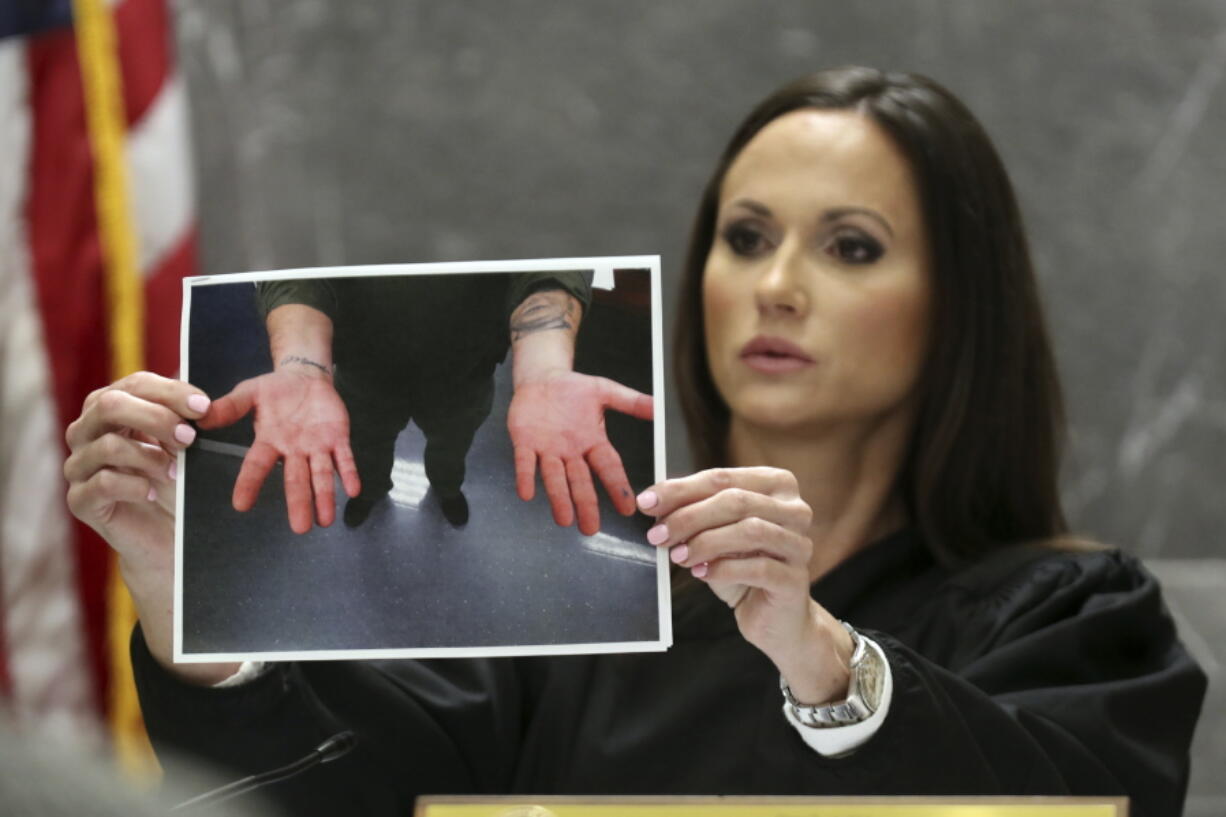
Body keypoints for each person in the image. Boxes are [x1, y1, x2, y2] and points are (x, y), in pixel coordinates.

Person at [63, 67, 1205, 817]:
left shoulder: (1075, 615)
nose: (775, 286)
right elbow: (358, 793)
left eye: (849, 247)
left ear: (959, 302)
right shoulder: (586, 597)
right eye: (744, 237)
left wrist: (823, 661)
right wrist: (188, 599)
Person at [196, 271, 651, 533]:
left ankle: (447, 488)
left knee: (450, 449)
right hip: (365, 372)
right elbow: (298, 270)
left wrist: (545, 368)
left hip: (461, 373)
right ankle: (371, 493)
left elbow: (547, 266)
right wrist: (301, 366)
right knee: (366, 452)